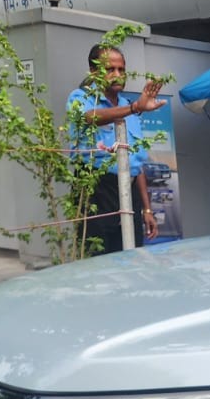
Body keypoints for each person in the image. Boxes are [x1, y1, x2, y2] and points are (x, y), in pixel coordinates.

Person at [67, 45, 165, 254]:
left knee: (131, 255)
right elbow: (89, 117)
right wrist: (134, 108)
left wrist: (146, 208)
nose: (117, 75)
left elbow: (135, 164)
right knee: (97, 257)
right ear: (94, 72)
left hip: (128, 190)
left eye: (121, 69)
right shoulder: (80, 98)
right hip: (97, 188)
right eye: (110, 69)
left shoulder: (127, 103)